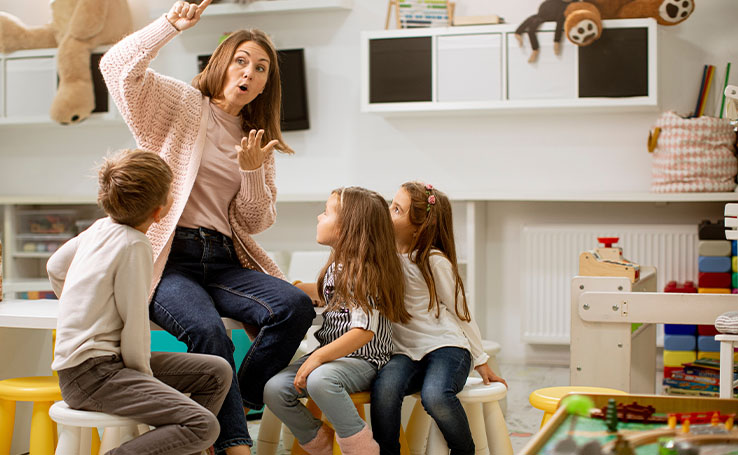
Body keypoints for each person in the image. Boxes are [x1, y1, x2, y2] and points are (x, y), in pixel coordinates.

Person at [99, 2, 315, 453]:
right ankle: (235, 444)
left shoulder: (256, 139)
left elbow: (257, 222)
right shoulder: (178, 103)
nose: (250, 73)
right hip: (170, 258)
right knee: (210, 334)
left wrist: (253, 171)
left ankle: (240, 397)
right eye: (242, 60)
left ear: (265, 85)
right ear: (221, 64)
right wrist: (170, 25)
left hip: (222, 260)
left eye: (261, 68)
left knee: (294, 306)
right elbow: (115, 65)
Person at [47, 149, 232, 455]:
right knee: (203, 426)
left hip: (96, 368)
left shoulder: (100, 227)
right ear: (160, 211)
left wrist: (80, 305)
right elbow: (135, 325)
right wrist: (146, 385)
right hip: (95, 376)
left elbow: (55, 267)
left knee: (217, 371)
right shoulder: (134, 244)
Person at [263, 187, 411, 455]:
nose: (319, 217)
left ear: (345, 229)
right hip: (331, 359)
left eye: (326, 212)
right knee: (274, 389)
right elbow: (325, 293)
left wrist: (316, 358)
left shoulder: (364, 272)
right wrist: (290, 288)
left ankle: (361, 448)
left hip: (363, 360)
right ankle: (321, 442)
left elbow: (363, 332)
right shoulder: (338, 265)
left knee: (320, 380)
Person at [370, 182, 508, 455]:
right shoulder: (382, 257)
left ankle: (464, 451)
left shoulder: (433, 261)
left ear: (418, 228)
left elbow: (461, 313)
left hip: (446, 347)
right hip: (405, 352)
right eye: (391, 204)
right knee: (384, 392)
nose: (388, 211)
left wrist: (481, 360)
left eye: (396, 209)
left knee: (435, 397)